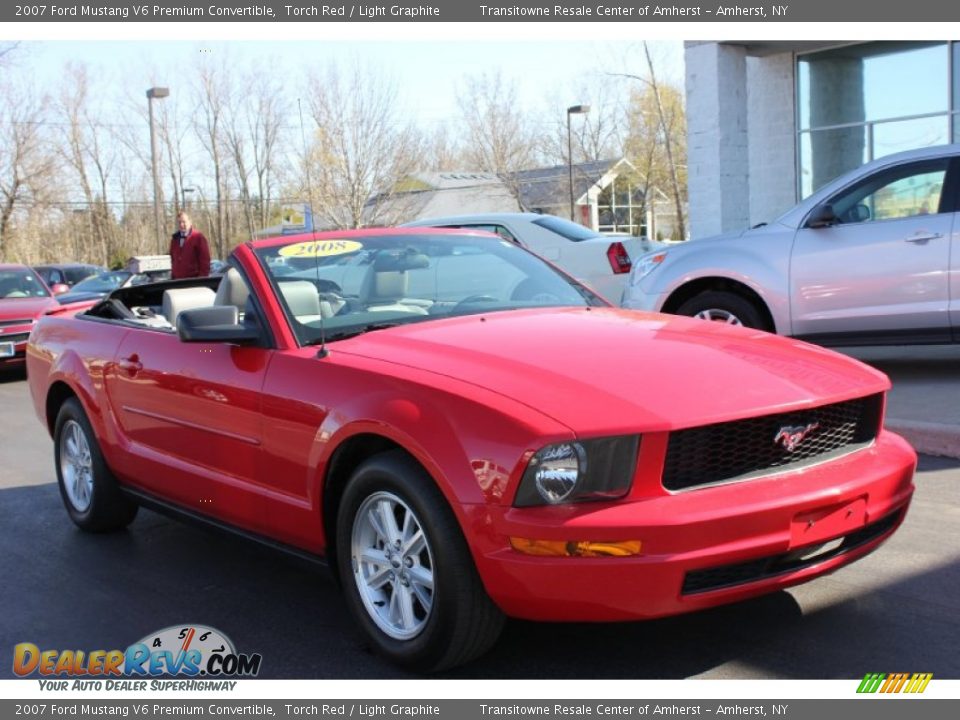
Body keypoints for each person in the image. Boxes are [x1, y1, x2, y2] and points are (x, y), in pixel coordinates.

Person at [169, 211, 211, 279]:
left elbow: (205, 261)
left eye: (184, 222)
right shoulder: (175, 239)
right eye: (179, 222)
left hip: (193, 281)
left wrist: (202, 280)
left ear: (190, 222)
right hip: (177, 282)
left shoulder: (198, 237)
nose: (181, 225)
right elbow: (173, 261)